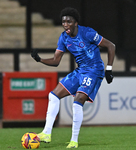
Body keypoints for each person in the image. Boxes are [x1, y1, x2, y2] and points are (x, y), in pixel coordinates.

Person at [31, 7, 115, 148]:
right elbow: (56, 61)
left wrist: (109, 69)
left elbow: (111, 46)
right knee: (53, 95)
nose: (65, 24)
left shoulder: (87, 33)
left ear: (76, 23)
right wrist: (39, 59)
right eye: (63, 22)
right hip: (81, 70)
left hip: (94, 70)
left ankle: (74, 140)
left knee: (78, 101)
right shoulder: (63, 38)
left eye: (69, 21)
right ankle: (46, 132)